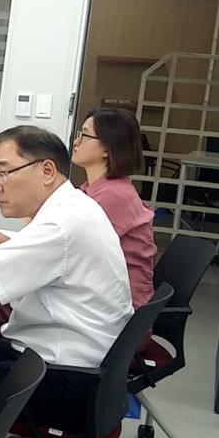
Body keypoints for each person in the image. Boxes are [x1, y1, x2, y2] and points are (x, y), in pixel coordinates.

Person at [0, 126, 132, 431]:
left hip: (62, 378)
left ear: (47, 170)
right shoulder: (72, 207)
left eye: (3, 173)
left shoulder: (61, 224)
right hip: (63, 361)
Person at [71, 108, 155, 308]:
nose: (76, 142)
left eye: (85, 136)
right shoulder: (94, 188)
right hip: (100, 290)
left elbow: (69, 250)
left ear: (107, 148)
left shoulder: (114, 196)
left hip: (118, 306)